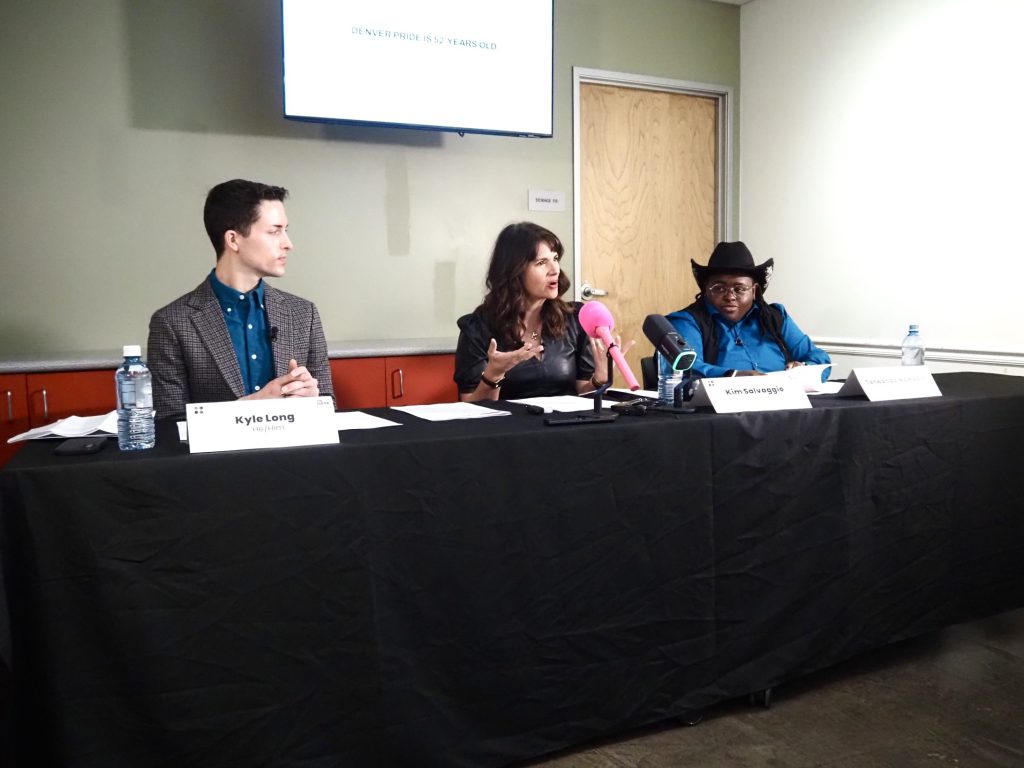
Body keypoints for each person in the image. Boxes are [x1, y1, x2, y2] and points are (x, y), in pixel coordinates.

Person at [147, 179, 333, 417]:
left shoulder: (302, 313)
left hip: (294, 453)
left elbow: (329, 405)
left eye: (286, 231)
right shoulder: (173, 322)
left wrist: (313, 400)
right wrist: (251, 406)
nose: (288, 244)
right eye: (275, 231)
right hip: (216, 455)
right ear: (233, 240)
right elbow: (169, 423)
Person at [454, 222, 625, 401]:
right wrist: (493, 375)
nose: (555, 270)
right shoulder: (477, 328)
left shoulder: (574, 319)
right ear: (515, 272)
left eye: (556, 258)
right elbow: (470, 408)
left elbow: (583, 392)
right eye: (542, 262)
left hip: (564, 425)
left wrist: (600, 379)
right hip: (511, 428)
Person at [666, 241, 830, 378]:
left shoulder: (775, 317)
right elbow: (686, 368)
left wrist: (804, 367)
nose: (730, 296)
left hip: (783, 406)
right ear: (706, 288)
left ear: (754, 290)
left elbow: (820, 359)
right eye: (719, 288)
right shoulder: (687, 322)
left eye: (739, 289)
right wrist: (735, 376)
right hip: (721, 411)